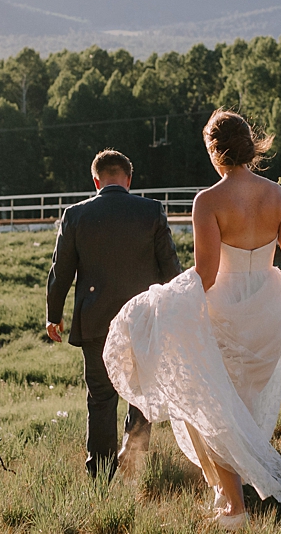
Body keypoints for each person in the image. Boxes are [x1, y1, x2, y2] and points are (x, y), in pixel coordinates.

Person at [104, 111, 281, 526]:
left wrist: (164, 299)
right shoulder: (277, 196)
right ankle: (229, 491)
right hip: (265, 310)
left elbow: (206, 274)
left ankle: (234, 507)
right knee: (237, 404)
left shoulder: (208, 201)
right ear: (249, 145)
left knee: (210, 405)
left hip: (224, 310)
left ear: (215, 150)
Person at [45, 149, 182, 480]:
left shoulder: (75, 215)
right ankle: (133, 451)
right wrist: (175, 313)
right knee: (142, 388)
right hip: (143, 321)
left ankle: (100, 474)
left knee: (101, 398)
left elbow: (60, 271)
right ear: (129, 180)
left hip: (96, 322)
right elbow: (171, 269)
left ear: (96, 181)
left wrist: (54, 314)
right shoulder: (151, 211)